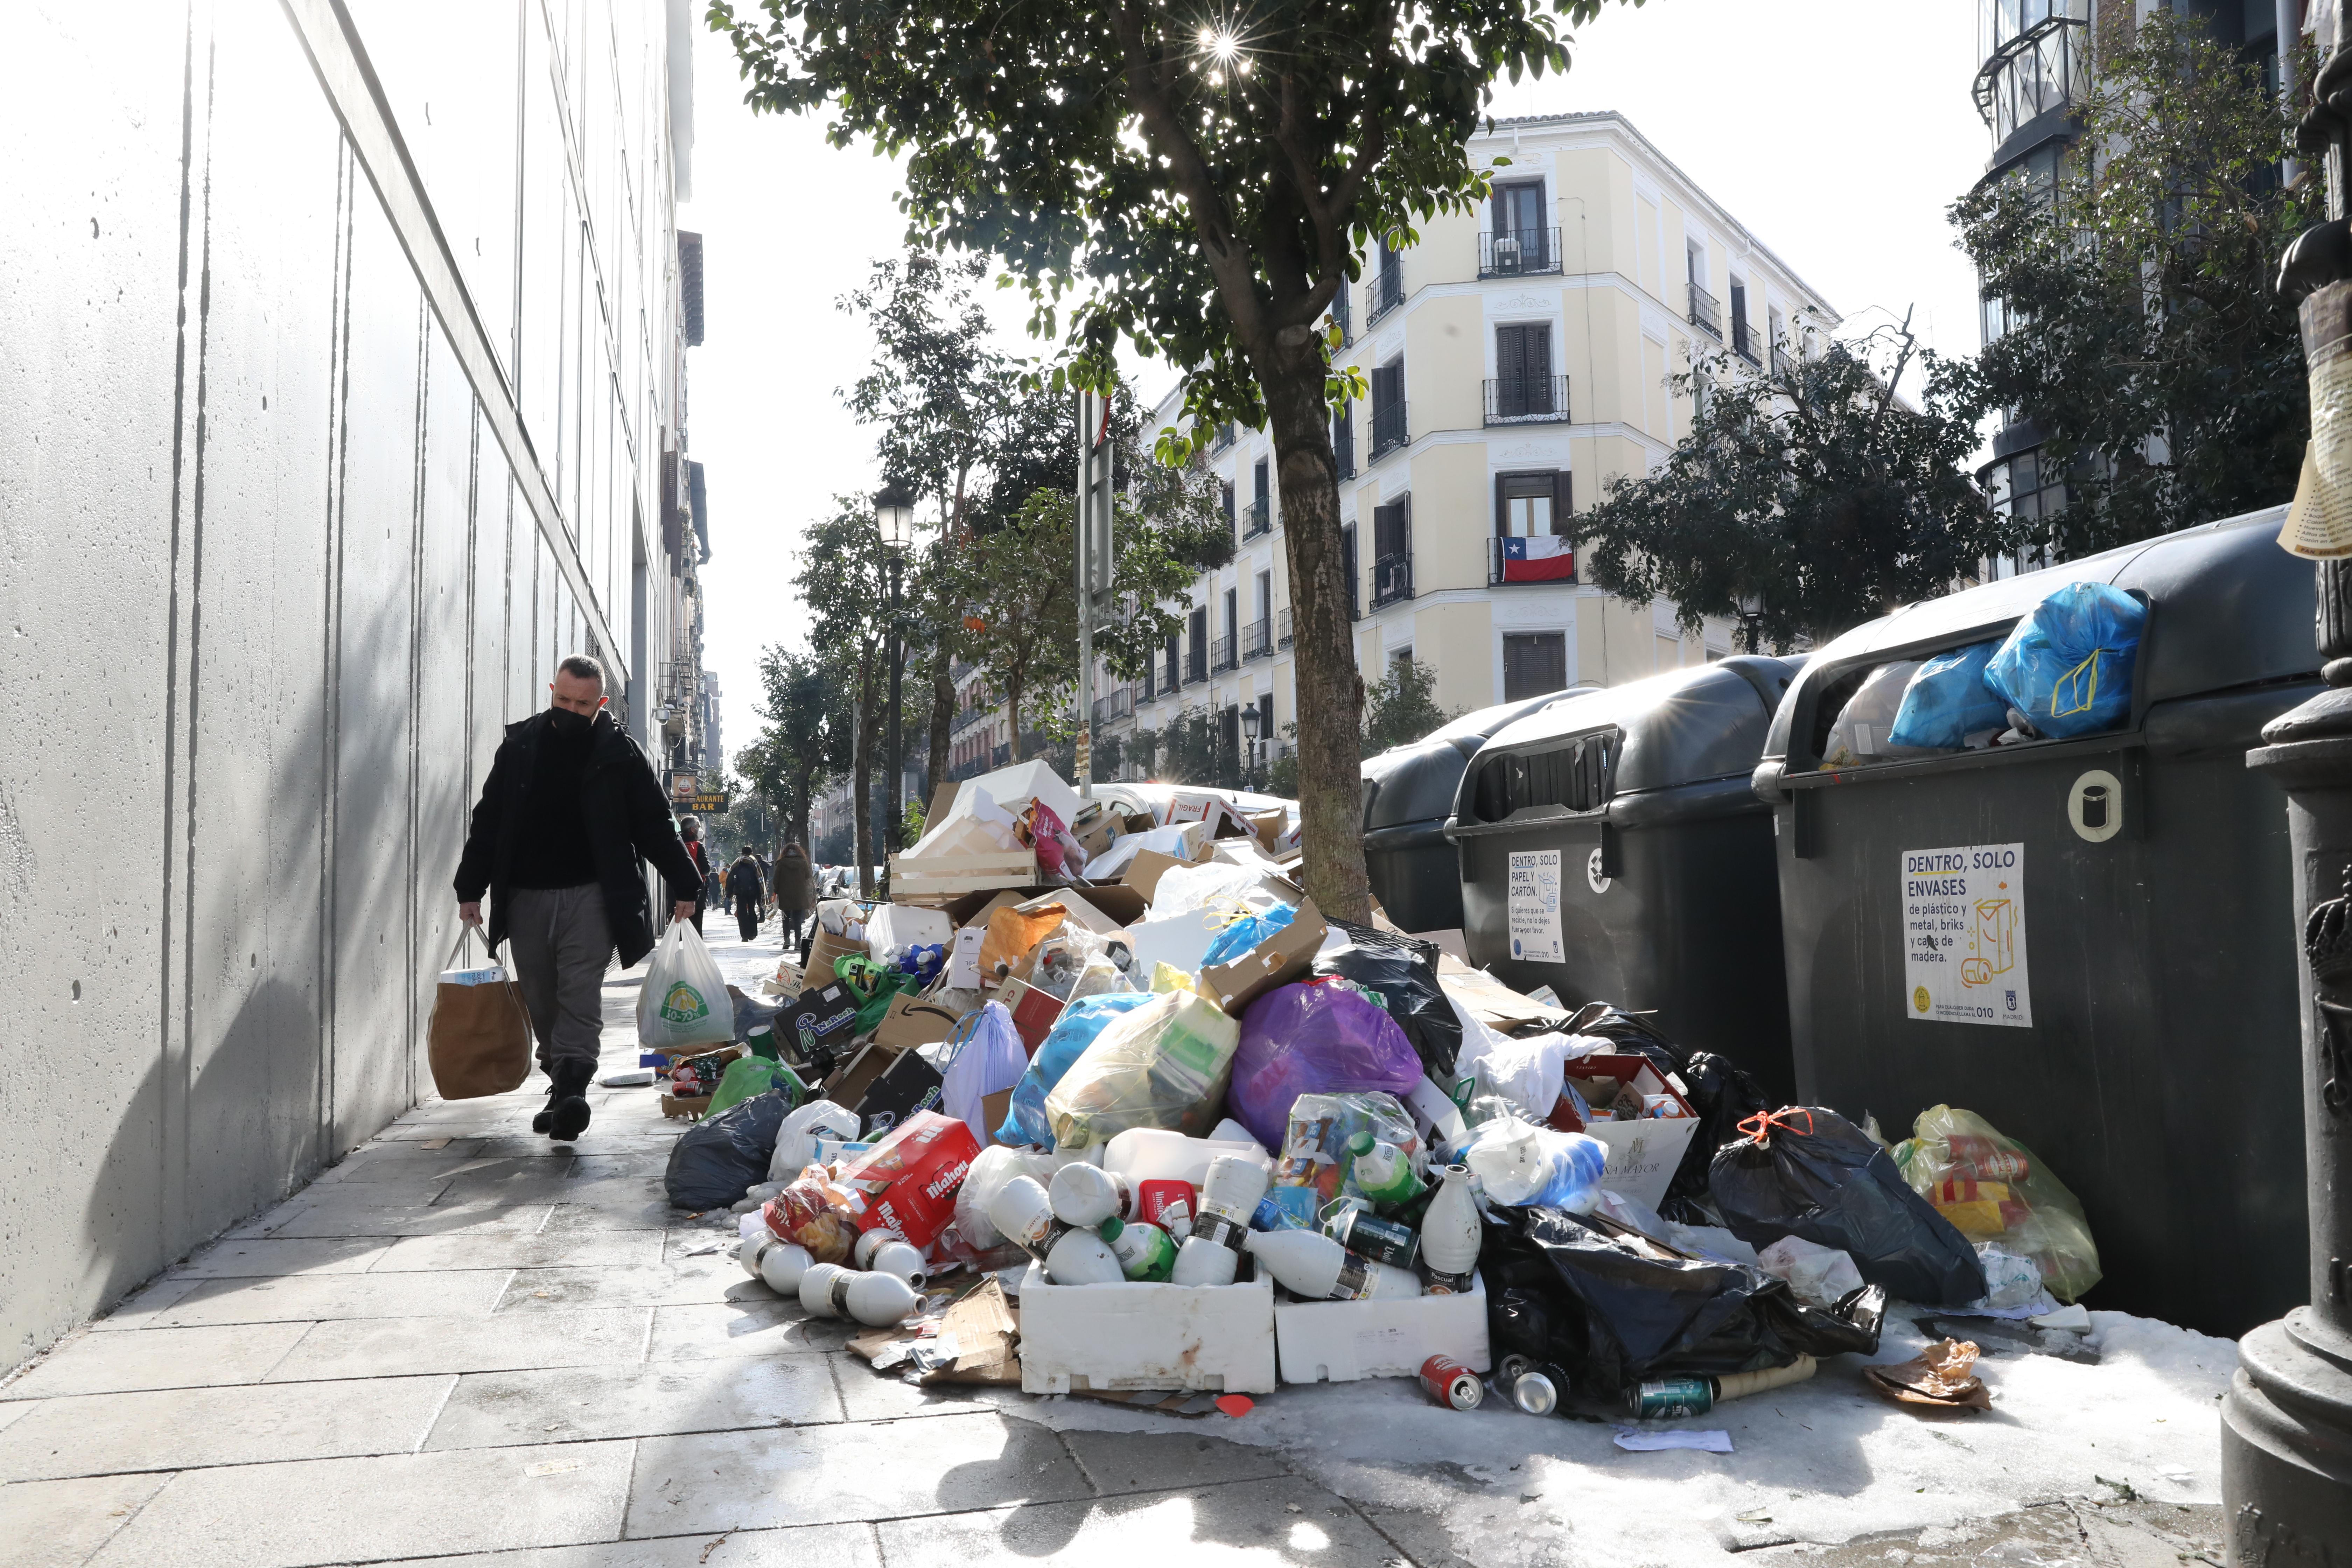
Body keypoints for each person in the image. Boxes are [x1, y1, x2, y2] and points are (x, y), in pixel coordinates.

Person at [454, 654, 700, 1142]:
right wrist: (470, 888)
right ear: (552, 690)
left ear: (600, 703)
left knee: (580, 993)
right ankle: (560, 1084)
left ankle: (574, 1087)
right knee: (541, 998)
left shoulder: (620, 754)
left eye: (582, 704)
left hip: (593, 895)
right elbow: (489, 821)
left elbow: (654, 825)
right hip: (525, 897)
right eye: (563, 699)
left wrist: (685, 883)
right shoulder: (520, 746)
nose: (570, 709)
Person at [772, 840, 815, 952]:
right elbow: (807, 876)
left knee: (786, 919)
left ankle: (787, 940)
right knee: (797, 920)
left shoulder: (781, 863)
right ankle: (797, 942)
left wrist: (776, 891)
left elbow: (776, 879)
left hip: (785, 895)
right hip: (799, 895)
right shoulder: (803, 862)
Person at [678, 816, 713, 935]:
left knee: (678, 922)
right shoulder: (698, 846)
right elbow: (706, 868)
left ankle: (679, 950)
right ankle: (695, 952)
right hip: (697, 890)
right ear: (693, 830)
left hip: (677, 888)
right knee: (696, 925)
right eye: (698, 826)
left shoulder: (676, 843)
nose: (700, 829)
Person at [725, 845, 766, 942]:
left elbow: (729, 878)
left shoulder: (737, 862)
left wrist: (729, 893)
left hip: (740, 892)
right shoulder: (754, 861)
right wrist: (761, 894)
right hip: (752, 892)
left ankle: (744, 935)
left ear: (742, 852)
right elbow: (760, 878)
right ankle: (753, 934)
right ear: (751, 853)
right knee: (751, 910)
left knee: (742, 912)